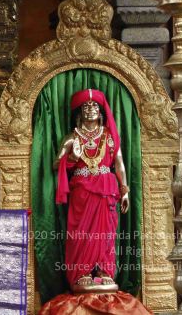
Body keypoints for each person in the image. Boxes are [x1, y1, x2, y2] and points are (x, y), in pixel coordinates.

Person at [54, 88, 130, 292]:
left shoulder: (109, 137)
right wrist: (72, 158)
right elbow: (56, 163)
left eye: (94, 105)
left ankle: (104, 271)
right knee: (81, 232)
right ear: (80, 113)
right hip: (82, 191)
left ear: (100, 111)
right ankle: (83, 272)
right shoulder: (71, 138)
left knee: (106, 233)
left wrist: (125, 190)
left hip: (106, 189)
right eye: (86, 106)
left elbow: (119, 163)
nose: (90, 109)